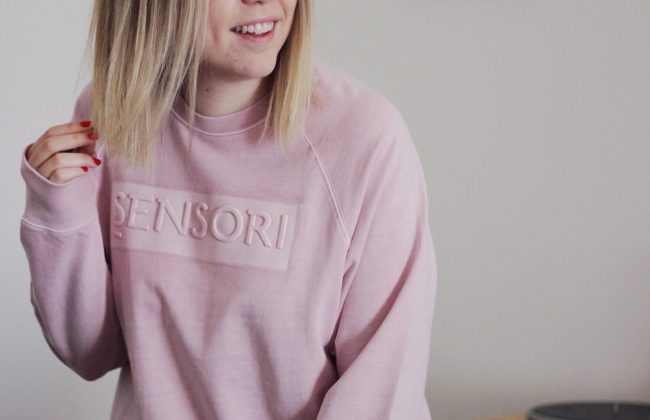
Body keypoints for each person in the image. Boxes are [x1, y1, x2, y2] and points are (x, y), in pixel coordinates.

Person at [18, 0, 438, 419]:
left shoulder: (364, 141)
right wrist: (57, 211)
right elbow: (91, 352)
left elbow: (381, 399)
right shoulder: (114, 115)